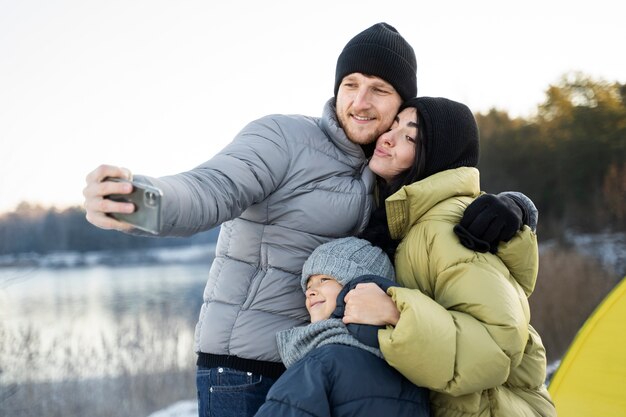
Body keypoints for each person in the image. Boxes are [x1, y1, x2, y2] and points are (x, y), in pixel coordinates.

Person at [82, 23, 527, 417]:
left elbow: (442, 192)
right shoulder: (284, 138)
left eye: (379, 89)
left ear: (402, 106)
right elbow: (213, 187)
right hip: (246, 369)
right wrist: (143, 202)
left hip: (329, 365)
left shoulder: (387, 170)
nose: (360, 101)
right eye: (350, 84)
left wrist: (513, 207)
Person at [345, 96, 557, 416]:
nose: (388, 136)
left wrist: (397, 315)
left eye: (410, 136)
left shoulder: (445, 229)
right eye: (394, 125)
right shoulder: (400, 221)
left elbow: (497, 347)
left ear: (436, 158)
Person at [254, 237, 430, 417]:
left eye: (324, 279)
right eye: (308, 285)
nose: (309, 291)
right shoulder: (412, 366)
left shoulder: (322, 363)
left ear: (359, 287)